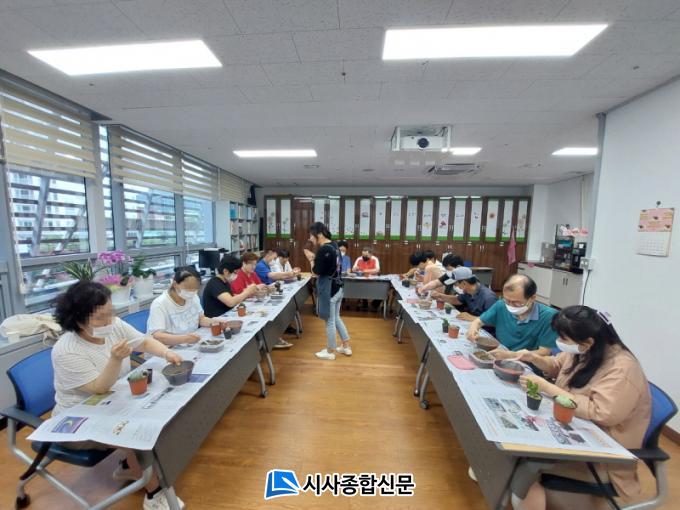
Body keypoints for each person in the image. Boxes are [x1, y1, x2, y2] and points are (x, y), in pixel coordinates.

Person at [52, 281, 185, 510]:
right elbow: (99, 387)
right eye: (100, 318)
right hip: (77, 419)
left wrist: (166, 353)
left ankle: (129, 466)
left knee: (160, 414)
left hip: (111, 402)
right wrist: (115, 359)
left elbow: (144, 341)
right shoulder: (66, 350)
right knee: (134, 432)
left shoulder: (114, 325)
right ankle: (154, 495)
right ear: (78, 320)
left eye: (111, 313)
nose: (109, 321)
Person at [511, 306, 651, 510]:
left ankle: (524, 496)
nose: (559, 342)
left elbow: (600, 412)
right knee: (516, 449)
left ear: (588, 342)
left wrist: (548, 388)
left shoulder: (622, 368)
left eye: (563, 338)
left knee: (525, 466)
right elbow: (557, 365)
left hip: (601, 456)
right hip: (572, 425)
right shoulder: (585, 351)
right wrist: (534, 358)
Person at [467, 274, 557, 356]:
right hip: (499, 354)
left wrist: (511, 355)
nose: (510, 306)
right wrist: (473, 329)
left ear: (532, 298)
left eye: (516, 302)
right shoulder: (501, 305)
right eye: (507, 300)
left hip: (526, 363)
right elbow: (478, 321)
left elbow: (544, 352)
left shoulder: (549, 316)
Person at [306, 222, 351, 360]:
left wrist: (311, 260)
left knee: (330, 321)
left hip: (329, 289)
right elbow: (330, 266)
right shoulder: (334, 245)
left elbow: (316, 272)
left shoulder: (323, 249)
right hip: (338, 287)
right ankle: (346, 346)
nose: (310, 238)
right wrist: (316, 258)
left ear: (319, 234)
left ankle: (330, 351)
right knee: (336, 318)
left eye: (311, 235)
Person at [147, 266, 213, 346]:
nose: (192, 291)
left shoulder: (193, 297)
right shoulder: (160, 304)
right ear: (175, 284)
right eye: (188, 288)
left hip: (189, 344)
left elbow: (201, 319)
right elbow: (158, 336)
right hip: (167, 348)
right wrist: (185, 339)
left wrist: (216, 323)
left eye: (195, 288)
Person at [431, 266, 497, 321]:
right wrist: (440, 295)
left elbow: (495, 321)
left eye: (456, 284)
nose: (456, 287)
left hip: (485, 330)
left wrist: (473, 318)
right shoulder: (469, 292)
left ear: (464, 283)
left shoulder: (488, 297)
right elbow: (457, 300)